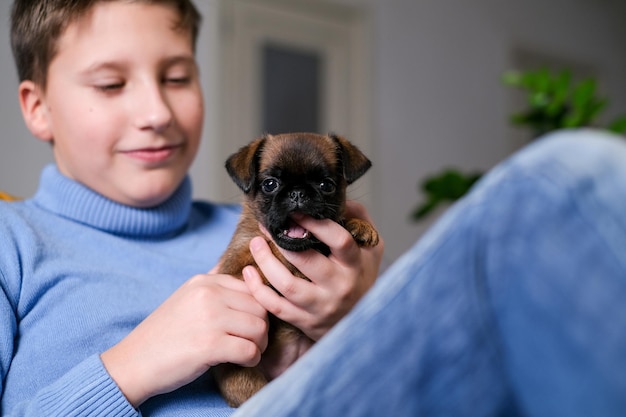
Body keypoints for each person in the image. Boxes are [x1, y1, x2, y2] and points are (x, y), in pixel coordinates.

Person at [0, 1, 383, 416]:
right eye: (110, 83)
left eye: (177, 77)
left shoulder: (267, 233)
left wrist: (357, 325)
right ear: (38, 109)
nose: (156, 113)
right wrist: (132, 367)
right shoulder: (11, 243)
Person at [233, 128, 626, 417]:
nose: (298, 198)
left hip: (351, 380)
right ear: (248, 184)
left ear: (343, 184)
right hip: (260, 397)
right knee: (549, 185)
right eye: (272, 185)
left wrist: (357, 307)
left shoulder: (348, 239)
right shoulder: (238, 239)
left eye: (321, 184)